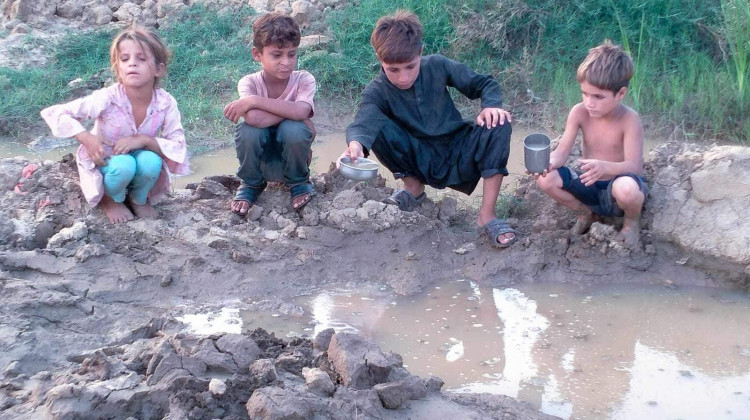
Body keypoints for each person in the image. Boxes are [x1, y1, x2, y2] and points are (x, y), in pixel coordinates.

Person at [341, 10, 516, 248]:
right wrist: (355, 145)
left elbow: (484, 83)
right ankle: (413, 189)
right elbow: (363, 122)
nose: (403, 77)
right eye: (393, 70)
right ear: (380, 59)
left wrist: (491, 106)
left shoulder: (437, 65)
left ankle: (487, 215)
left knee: (499, 122)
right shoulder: (376, 91)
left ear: (420, 52)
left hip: (458, 149)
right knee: (376, 126)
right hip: (417, 157)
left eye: (410, 67)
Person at [41, 27, 189, 224]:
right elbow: (56, 113)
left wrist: (144, 140)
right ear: (118, 68)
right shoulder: (108, 97)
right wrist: (87, 139)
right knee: (124, 165)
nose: (132, 63)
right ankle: (110, 199)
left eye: (141, 58)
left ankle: (138, 198)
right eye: (125, 59)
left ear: (158, 69)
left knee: (151, 162)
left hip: (140, 160)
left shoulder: (165, 102)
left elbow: (178, 144)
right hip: (107, 161)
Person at [535, 40, 647, 246]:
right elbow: (561, 154)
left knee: (627, 189)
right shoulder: (579, 112)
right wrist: (544, 163)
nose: (589, 103)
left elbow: (635, 167)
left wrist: (605, 167)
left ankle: (631, 222)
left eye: (598, 97)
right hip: (588, 184)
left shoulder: (629, 119)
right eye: (584, 94)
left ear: (621, 93)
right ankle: (586, 213)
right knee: (545, 179)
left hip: (616, 187)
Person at [224, 12, 317, 215]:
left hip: (293, 162)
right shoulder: (250, 82)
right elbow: (254, 119)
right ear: (257, 54)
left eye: (291, 54)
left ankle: (299, 183)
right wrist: (295, 113)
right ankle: (251, 184)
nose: (286, 62)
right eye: (277, 55)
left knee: (294, 129)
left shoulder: (303, 79)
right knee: (248, 130)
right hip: (262, 162)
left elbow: (302, 110)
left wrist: (254, 101)